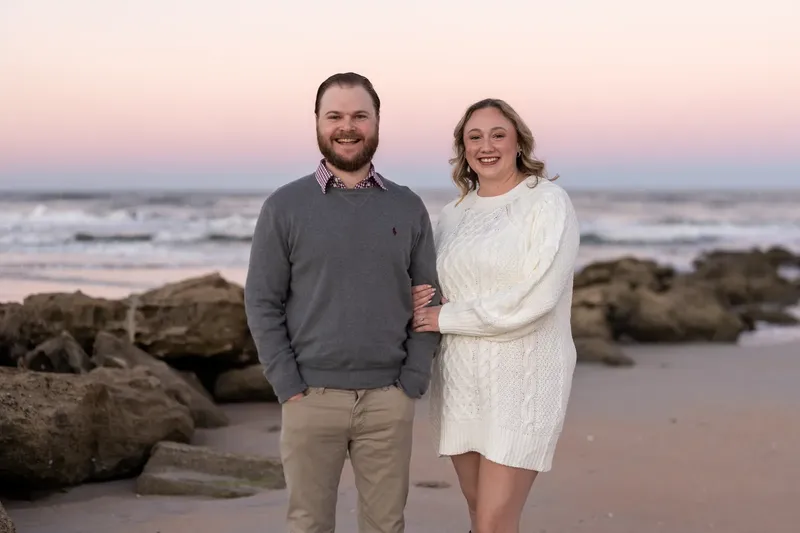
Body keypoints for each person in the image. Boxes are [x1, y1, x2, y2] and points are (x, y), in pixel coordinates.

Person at [244, 72, 442, 533]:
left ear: (376, 122)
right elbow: (261, 301)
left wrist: (412, 379)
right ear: (317, 122)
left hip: (388, 401)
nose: (347, 126)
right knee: (309, 525)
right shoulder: (284, 206)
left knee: (385, 526)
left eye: (359, 116)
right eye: (334, 116)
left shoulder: (407, 206)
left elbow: (429, 296)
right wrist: (287, 383)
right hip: (310, 397)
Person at [410, 98, 581, 533]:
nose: (486, 145)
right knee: (478, 513)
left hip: (523, 378)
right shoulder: (453, 214)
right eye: (475, 136)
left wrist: (444, 319)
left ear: (518, 142)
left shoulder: (546, 202)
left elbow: (536, 297)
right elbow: (436, 290)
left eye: (497, 134)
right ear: (463, 148)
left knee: (493, 522)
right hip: (462, 381)